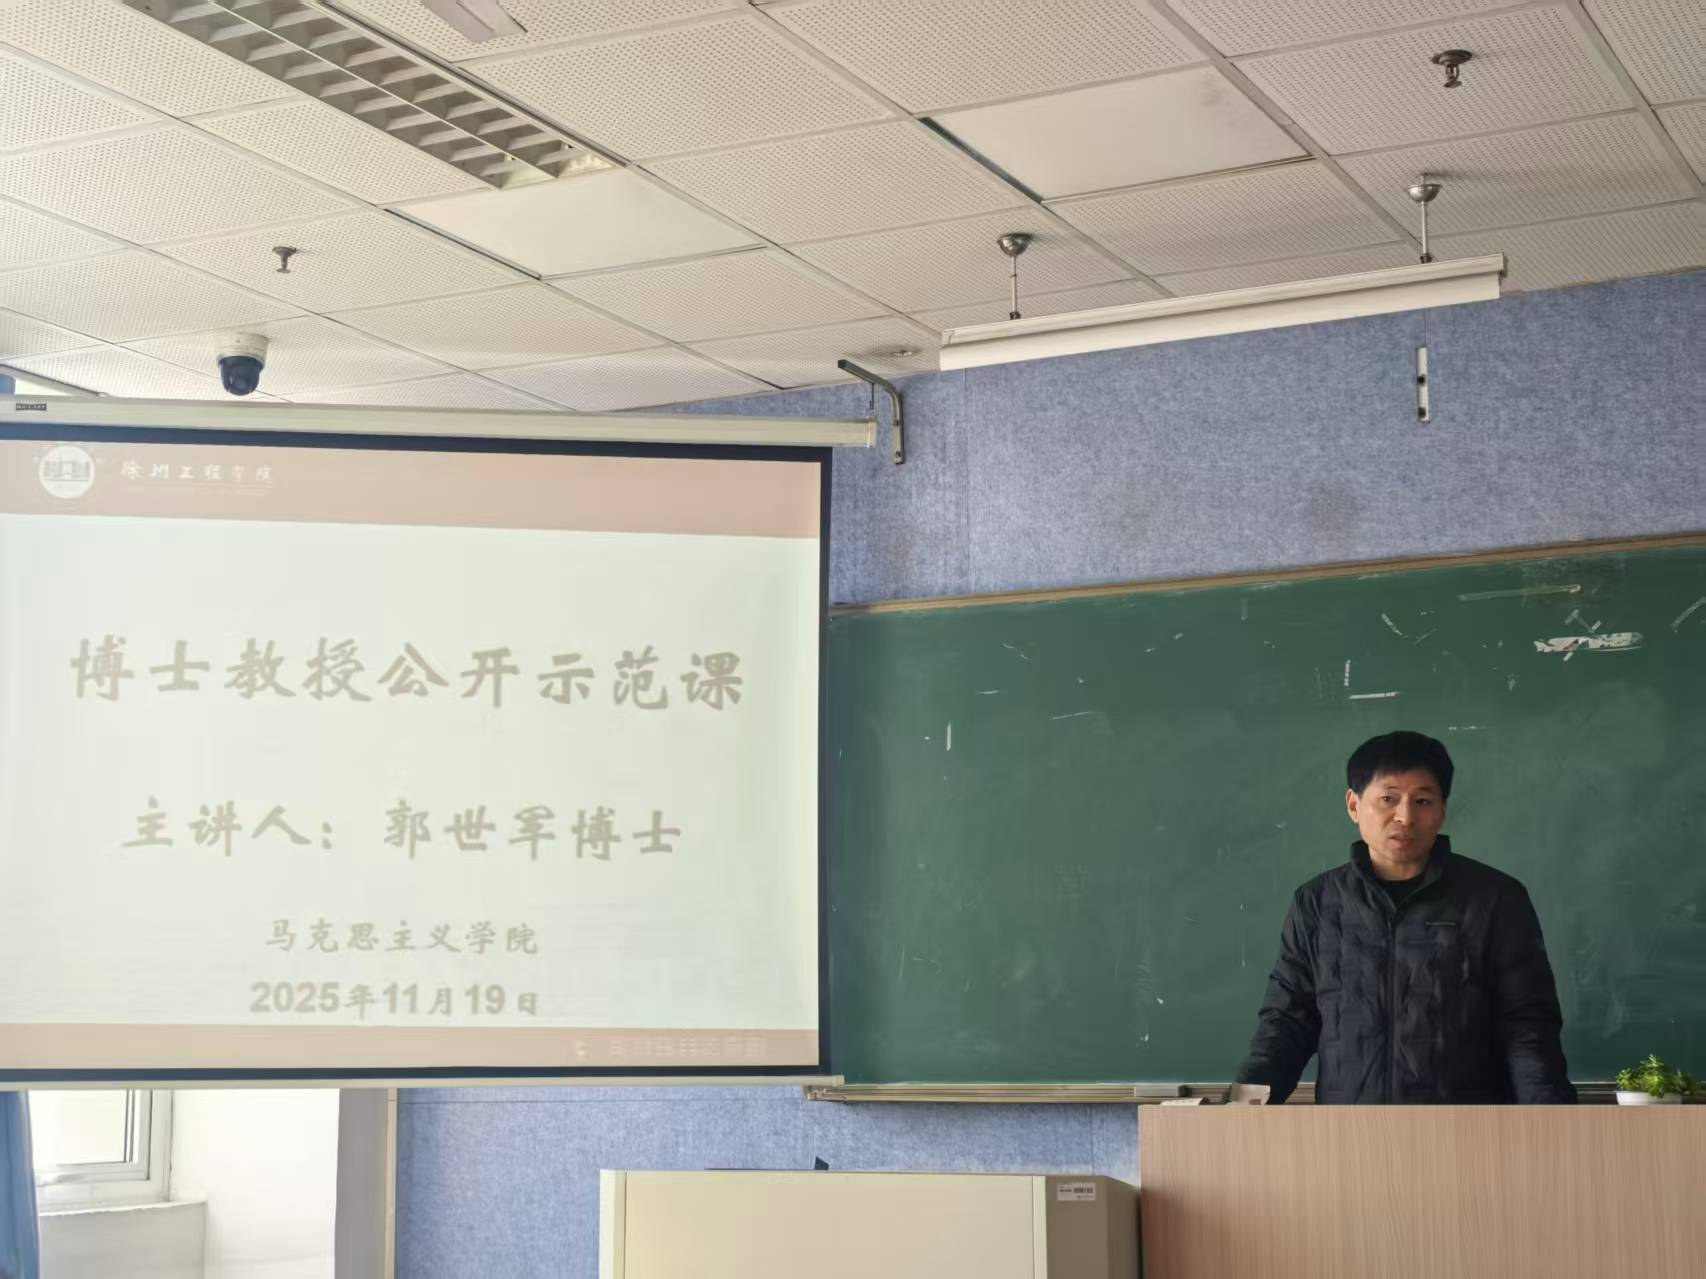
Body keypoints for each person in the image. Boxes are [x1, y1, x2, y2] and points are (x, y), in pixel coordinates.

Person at [1235, 730, 1575, 1104]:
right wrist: (1241, 1107)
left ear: (1442, 810)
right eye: (1388, 799)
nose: (1405, 816)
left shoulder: (1494, 898)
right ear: (1353, 805)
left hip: (1468, 1128)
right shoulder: (1317, 902)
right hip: (1348, 1129)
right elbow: (1286, 1023)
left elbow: (1526, 1025)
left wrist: (1550, 1118)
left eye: (1423, 801)